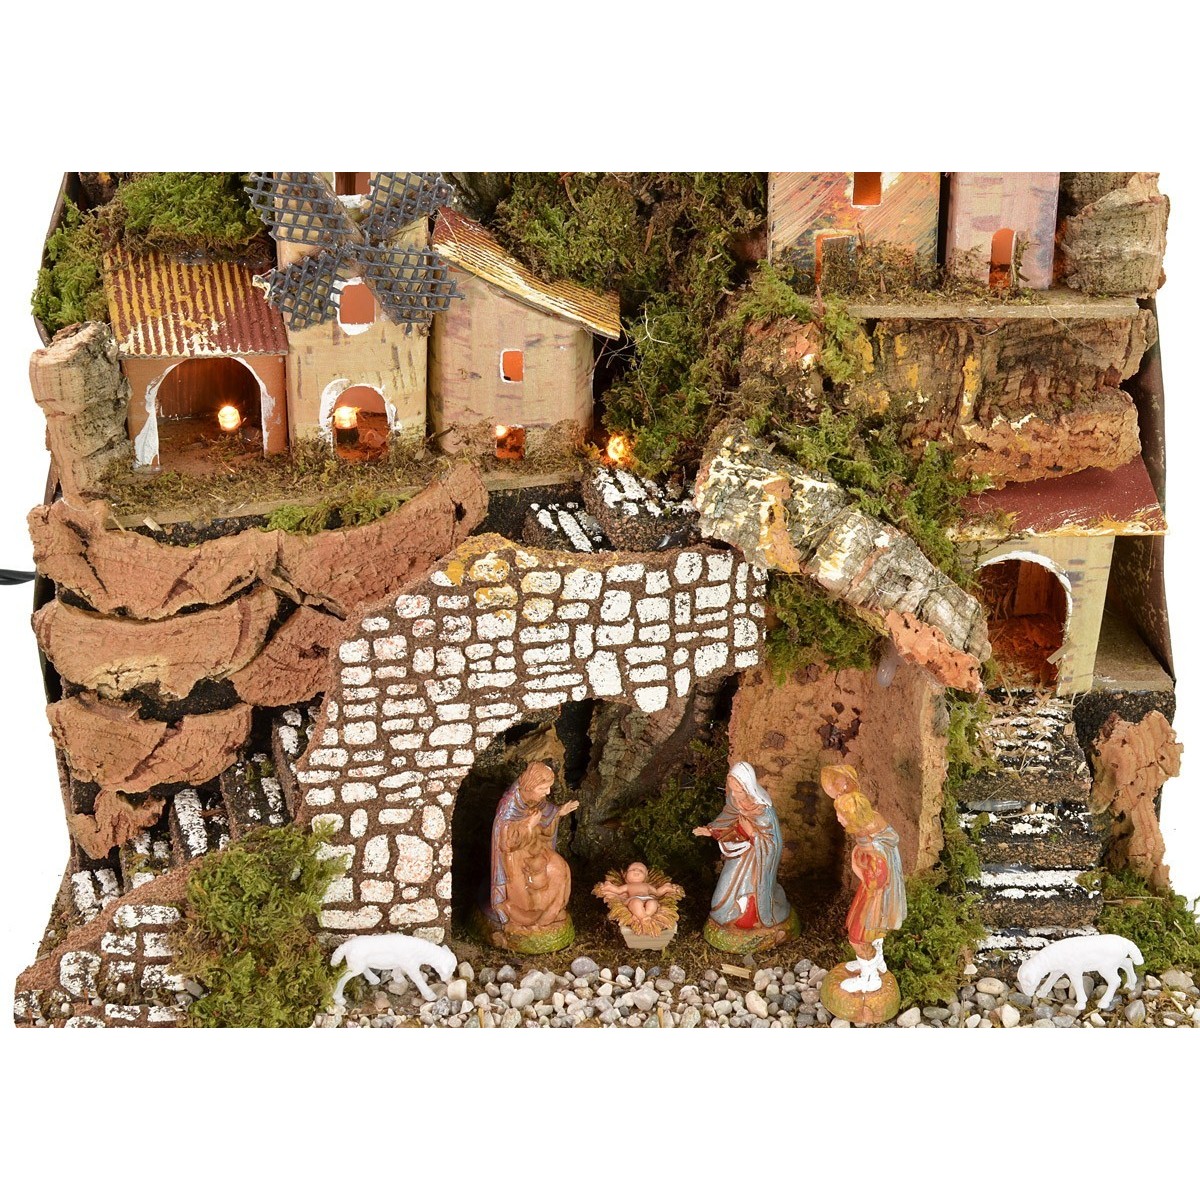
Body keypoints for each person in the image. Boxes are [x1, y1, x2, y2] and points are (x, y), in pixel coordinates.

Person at [820, 764, 907, 994]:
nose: (838, 818)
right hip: (871, 892)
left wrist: (857, 867)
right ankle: (876, 963)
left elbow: (876, 878)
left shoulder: (871, 846)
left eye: (841, 815)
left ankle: (870, 978)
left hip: (874, 896)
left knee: (859, 936)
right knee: (872, 932)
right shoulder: (868, 826)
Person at [693, 761, 791, 931]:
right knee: (722, 895)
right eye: (732, 790)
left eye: (739, 791)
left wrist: (752, 833)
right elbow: (727, 817)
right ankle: (725, 917)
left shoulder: (763, 810)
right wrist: (711, 830)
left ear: (748, 787)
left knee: (750, 895)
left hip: (757, 861)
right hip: (740, 853)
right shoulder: (735, 800)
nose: (735, 795)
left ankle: (754, 917)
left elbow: (773, 843)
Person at [486, 762, 579, 931]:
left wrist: (559, 812)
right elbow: (505, 841)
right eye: (543, 788)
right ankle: (526, 913)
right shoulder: (509, 806)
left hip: (535, 847)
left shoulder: (535, 798)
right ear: (530, 786)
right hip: (515, 855)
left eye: (548, 787)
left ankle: (553, 908)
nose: (548, 792)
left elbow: (545, 812)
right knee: (527, 885)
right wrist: (529, 825)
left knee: (560, 867)